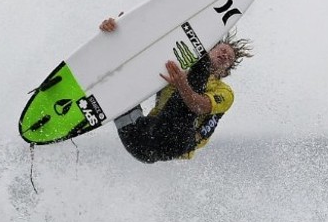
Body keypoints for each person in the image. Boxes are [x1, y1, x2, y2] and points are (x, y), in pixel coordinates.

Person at [99, 16, 253, 163]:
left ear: (225, 72)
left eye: (229, 58)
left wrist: (182, 84)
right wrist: (117, 31)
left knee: (200, 68)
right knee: (118, 89)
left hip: (176, 142)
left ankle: (199, 55)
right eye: (222, 49)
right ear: (211, 47)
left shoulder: (225, 92)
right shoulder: (177, 64)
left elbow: (197, 106)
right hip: (141, 141)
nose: (225, 54)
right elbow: (143, 53)